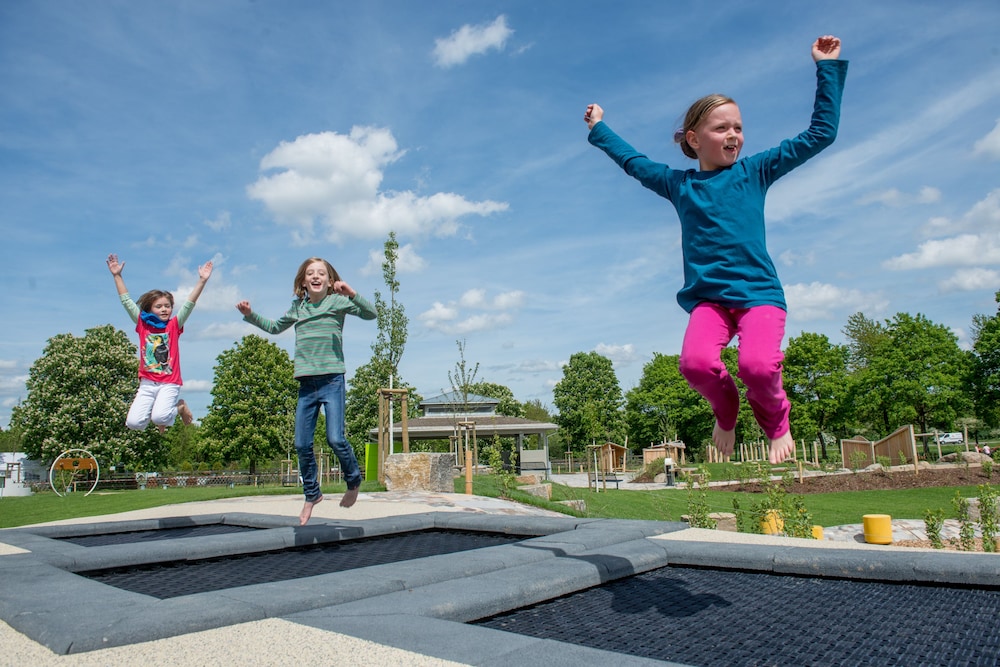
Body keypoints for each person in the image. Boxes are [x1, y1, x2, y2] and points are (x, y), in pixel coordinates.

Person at [584, 36, 847, 464]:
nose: (733, 136)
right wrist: (599, 129)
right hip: (710, 301)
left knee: (757, 367)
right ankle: (727, 413)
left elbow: (821, 134)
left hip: (759, 295)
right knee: (694, 365)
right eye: (722, 128)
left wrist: (827, 68)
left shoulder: (756, 171)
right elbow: (634, 162)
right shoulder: (680, 185)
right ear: (694, 139)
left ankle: (777, 422)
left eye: (738, 128)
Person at [237, 257, 376, 524]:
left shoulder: (338, 302)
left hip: (332, 380)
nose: (315, 277)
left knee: (335, 439)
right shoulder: (298, 308)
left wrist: (352, 293)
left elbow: (371, 314)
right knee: (301, 444)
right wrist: (250, 315)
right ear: (303, 281)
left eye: (321, 273)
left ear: (330, 281)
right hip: (306, 385)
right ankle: (312, 494)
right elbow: (274, 327)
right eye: (310, 273)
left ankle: (353, 480)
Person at [107, 253, 213, 433]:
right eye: (159, 306)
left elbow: (189, 304)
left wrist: (202, 280)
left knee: (159, 417)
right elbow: (126, 301)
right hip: (147, 383)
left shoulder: (174, 325)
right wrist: (117, 275)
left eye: (167, 306)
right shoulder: (143, 324)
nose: (164, 309)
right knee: (133, 423)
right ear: (149, 309)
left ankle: (179, 407)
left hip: (169, 382)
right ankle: (164, 415)